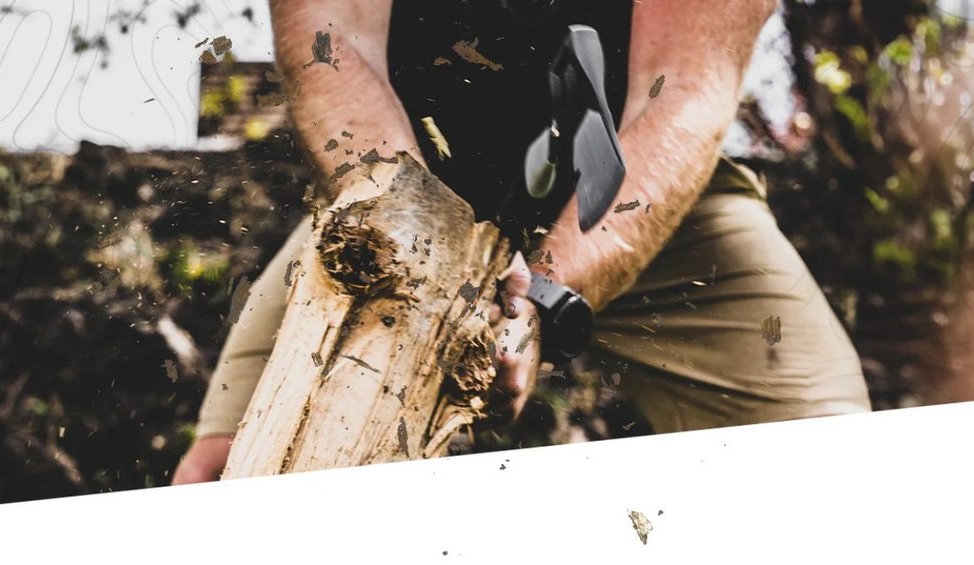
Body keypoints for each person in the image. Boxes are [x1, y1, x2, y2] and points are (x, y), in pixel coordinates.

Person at [173, 0, 871, 484]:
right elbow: (333, 47)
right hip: (415, 178)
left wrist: (539, 294)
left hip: (643, 192)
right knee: (226, 469)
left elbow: (683, 93)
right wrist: (415, 256)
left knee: (835, 465)